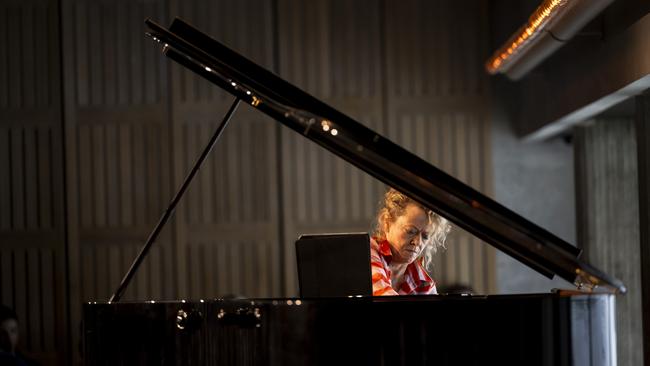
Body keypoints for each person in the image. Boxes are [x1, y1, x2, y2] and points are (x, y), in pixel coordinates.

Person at [370, 188, 451, 296]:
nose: (417, 242)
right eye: (410, 231)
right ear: (387, 223)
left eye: (425, 236)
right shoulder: (366, 253)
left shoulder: (425, 284)